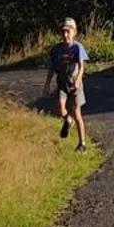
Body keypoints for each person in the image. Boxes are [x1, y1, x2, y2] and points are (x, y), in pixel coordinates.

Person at [43, 17, 90, 151]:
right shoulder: (56, 50)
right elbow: (51, 68)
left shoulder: (77, 47)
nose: (65, 35)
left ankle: (82, 144)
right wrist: (47, 84)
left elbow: (81, 66)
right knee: (60, 107)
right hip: (62, 84)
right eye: (63, 32)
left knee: (77, 113)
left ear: (74, 32)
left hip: (75, 85)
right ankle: (68, 121)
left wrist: (78, 79)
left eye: (68, 31)